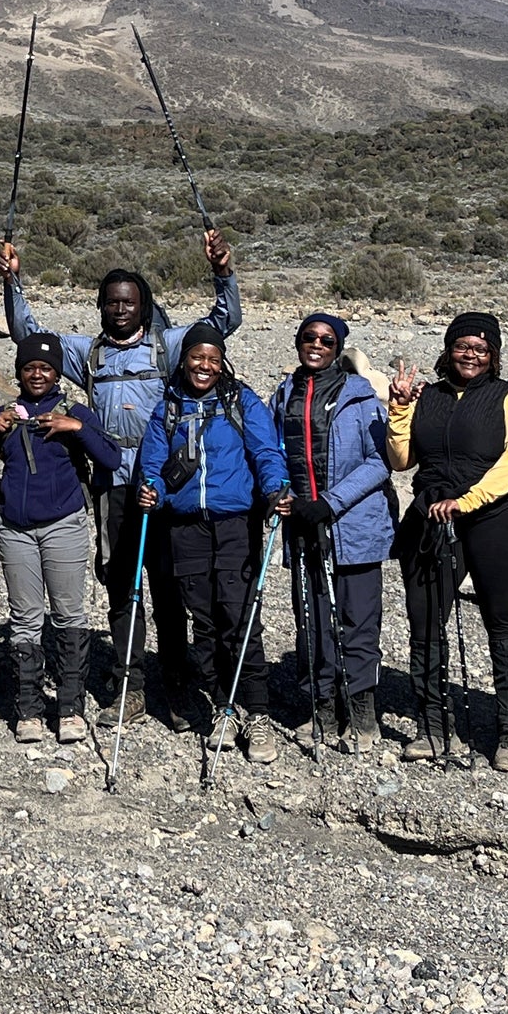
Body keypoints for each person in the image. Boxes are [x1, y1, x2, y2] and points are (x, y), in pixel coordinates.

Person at [0, 228, 241, 726]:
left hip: (166, 484)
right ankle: (128, 683)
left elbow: (223, 322)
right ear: (101, 306)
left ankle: (177, 688)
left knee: (172, 586)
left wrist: (222, 272)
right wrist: (13, 283)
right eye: (111, 302)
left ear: (144, 304)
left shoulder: (169, 347)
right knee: (121, 585)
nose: (120, 309)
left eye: (129, 302)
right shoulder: (88, 353)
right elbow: (30, 337)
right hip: (113, 487)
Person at [135, 323, 293, 762]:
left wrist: (277, 487)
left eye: (213, 358)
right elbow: (153, 463)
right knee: (203, 622)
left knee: (240, 618)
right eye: (196, 357)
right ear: (183, 359)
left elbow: (265, 452)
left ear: (222, 362)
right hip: (185, 528)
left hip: (235, 525)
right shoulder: (167, 408)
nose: (205, 366)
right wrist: (151, 489)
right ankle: (223, 707)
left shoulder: (241, 402)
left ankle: (257, 714)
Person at [386, 312, 508, 767]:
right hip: (430, 516)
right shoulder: (426, 396)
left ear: (493, 356)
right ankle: (432, 726)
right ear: (447, 350)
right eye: (462, 346)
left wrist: (468, 501)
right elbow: (401, 460)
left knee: (501, 621)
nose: (471, 354)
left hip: (493, 518)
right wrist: (399, 410)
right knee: (425, 621)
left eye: (481, 348)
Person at [0, 331, 120, 744]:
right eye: (30, 367)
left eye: (46, 368)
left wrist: (76, 429)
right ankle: (29, 708)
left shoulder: (76, 411)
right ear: (19, 371)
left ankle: (70, 708)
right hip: (15, 530)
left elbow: (110, 458)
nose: (37, 374)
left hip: (64, 525)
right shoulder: (6, 415)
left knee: (69, 614)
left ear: (57, 374)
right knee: (25, 618)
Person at [268, 312, 393, 754]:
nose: (316, 345)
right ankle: (321, 704)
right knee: (313, 621)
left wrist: (330, 503)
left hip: (354, 526)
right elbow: (273, 455)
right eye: (309, 338)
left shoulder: (360, 396)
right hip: (303, 525)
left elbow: (381, 463)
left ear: (338, 347)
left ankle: (361, 709)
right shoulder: (284, 394)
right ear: (298, 342)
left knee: (359, 621)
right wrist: (282, 495)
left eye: (326, 339)